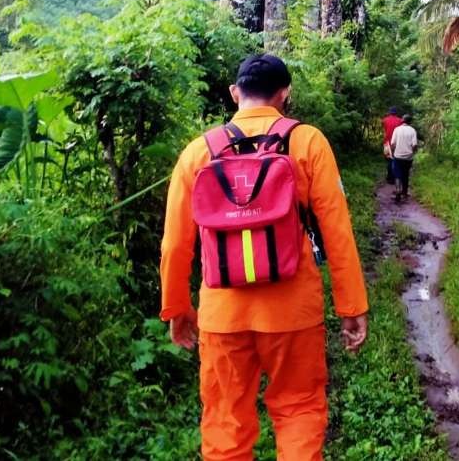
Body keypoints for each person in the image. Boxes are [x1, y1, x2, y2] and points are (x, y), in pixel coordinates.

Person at [160, 54, 369, 461]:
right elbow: (337, 232)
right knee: (299, 410)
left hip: (222, 314)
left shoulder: (198, 152)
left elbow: (174, 244)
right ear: (285, 94)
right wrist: (351, 305)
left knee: (225, 421)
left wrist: (177, 307)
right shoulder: (307, 142)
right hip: (293, 312)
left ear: (235, 93)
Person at [389, 114, 418, 202]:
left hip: (398, 156)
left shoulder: (397, 129)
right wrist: (412, 152)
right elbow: (415, 145)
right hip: (408, 158)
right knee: (405, 174)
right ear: (410, 122)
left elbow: (393, 143)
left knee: (397, 174)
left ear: (402, 120)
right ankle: (404, 193)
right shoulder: (413, 131)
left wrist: (393, 152)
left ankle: (398, 190)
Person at [382, 107, 403, 184]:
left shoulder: (384, 120)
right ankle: (396, 177)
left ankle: (389, 178)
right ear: (396, 113)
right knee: (396, 160)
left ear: (389, 112)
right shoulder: (400, 121)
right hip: (397, 143)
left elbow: (384, 129)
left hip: (387, 143)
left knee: (389, 161)